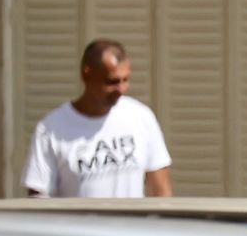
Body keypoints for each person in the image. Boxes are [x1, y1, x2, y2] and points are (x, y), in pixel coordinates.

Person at [24, 38, 171, 198]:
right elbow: (38, 198)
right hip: (78, 224)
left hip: (132, 224)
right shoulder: (51, 129)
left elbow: (161, 190)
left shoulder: (141, 117)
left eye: (125, 80)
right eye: (112, 82)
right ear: (86, 74)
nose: (121, 89)